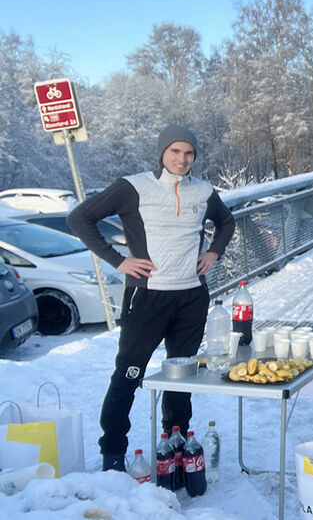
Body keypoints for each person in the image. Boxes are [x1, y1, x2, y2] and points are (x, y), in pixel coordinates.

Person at [67, 124, 235, 471]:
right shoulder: (134, 187)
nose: (182, 159)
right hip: (146, 297)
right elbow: (80, 217)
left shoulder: (203, 191)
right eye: (174, 152)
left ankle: (175, 441)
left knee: (181, 376)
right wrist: (120, 260)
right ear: (162, 153)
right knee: (128, 374)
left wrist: (214, 252)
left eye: (188, 153)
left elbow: (227, 222)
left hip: (190, 296)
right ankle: (112, 451)